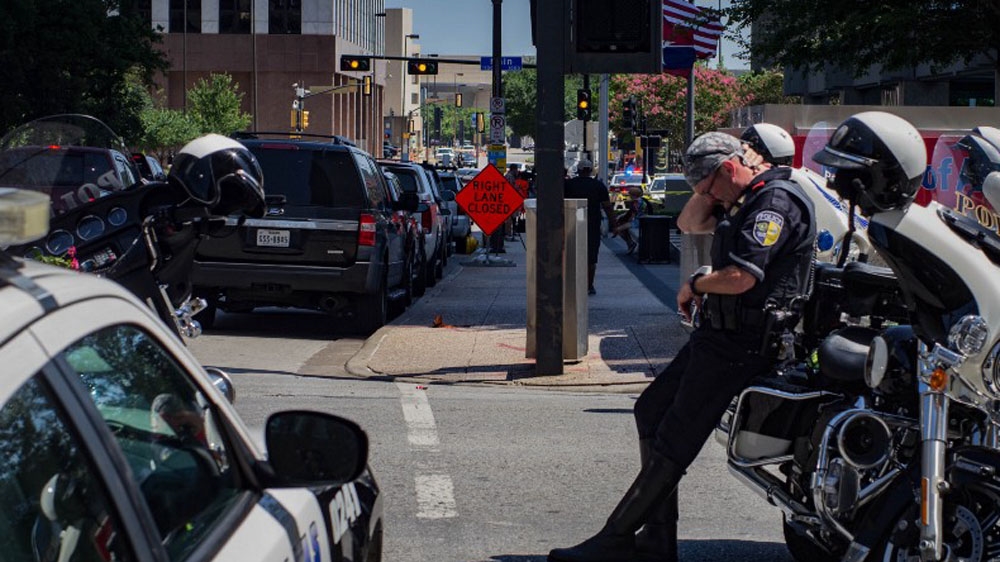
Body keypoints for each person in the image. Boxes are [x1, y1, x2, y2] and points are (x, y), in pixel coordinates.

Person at [548, 132, 817, 562]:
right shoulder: (744, 196)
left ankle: (616, 538)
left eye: (709, 188)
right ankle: (657, 538)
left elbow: (742, 277)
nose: (708, 198)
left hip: (745, 343)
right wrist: (706, 187)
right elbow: (688, 224)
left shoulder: (774, 202)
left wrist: (696, 284)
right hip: (720, 335)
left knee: (676, 435)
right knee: (651, 410)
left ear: (728, 169)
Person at [563, 158, 616, 295]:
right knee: (591, 257)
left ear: (578, 170)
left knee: (571, 254)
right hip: (592, 225)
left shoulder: (568, 185)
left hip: (572, 223)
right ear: (591, 170)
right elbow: (607, 207)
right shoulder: (598, 186)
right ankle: (589, 285)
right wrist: (614, 224)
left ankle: (572, 283)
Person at [612, 186, 646, 255]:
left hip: (637, 222)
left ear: (633, 195)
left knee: (618, 229)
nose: (629, 196)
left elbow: (633, 214)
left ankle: (631, 244)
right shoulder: (642, 201)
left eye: (630, 194)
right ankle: (631, 244)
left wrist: (624, 219)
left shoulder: (635, 202)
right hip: (641, 221)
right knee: (622, 229)